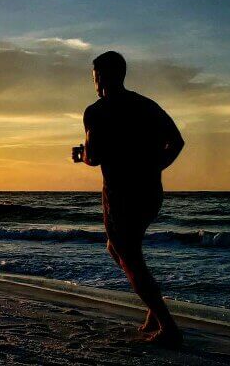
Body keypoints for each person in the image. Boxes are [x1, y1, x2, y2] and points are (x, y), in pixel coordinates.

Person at [73, 51, 184, 346]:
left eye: (94, 76)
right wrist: (152, 167)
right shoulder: (146, 106)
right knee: (118, 248)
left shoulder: (96, 111)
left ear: (102, 77)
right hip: (150, 193)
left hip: (120, 195)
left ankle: (167, 325)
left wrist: (80, 155)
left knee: (129, 256)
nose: (93, 82)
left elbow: (93, 156)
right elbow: (177, 142)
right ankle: (153, 310)